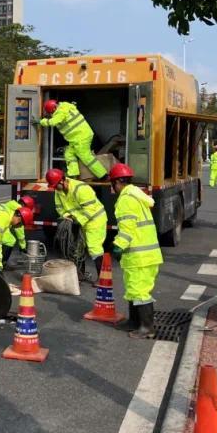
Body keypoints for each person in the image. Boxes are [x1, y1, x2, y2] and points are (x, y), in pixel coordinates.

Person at [108, 163, 163, 338]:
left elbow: (127, 228)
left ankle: (147, 328)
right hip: (143, 254)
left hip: (140, 255)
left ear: (116, 183)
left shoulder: (126, 200)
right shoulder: (137, 196)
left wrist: (118, 246)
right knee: (133, 288)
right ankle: (134, 322)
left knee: (140, 291)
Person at [46, 167, 107, 280]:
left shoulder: (81, 188)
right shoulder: (58, 191)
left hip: (95, 219)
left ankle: (103, 278)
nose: (55, 189)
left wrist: (76, 219)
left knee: (94, 248)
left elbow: (90, 209)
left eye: (56, 185)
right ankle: (80, 274)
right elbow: (59, 208)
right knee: (77, 247)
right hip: (78, 220)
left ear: (63, 180)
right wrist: (67, 217)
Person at [38, 99, 107, 179]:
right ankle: (73, 175)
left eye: (50, 113)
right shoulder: (66, 106)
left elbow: (54, 122)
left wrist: (41, 122)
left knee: (86, 157)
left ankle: (103, 175)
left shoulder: (60, 112)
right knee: (69, 154)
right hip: (77, 138)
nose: (50, 115)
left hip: (80, 137)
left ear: (53, 109)